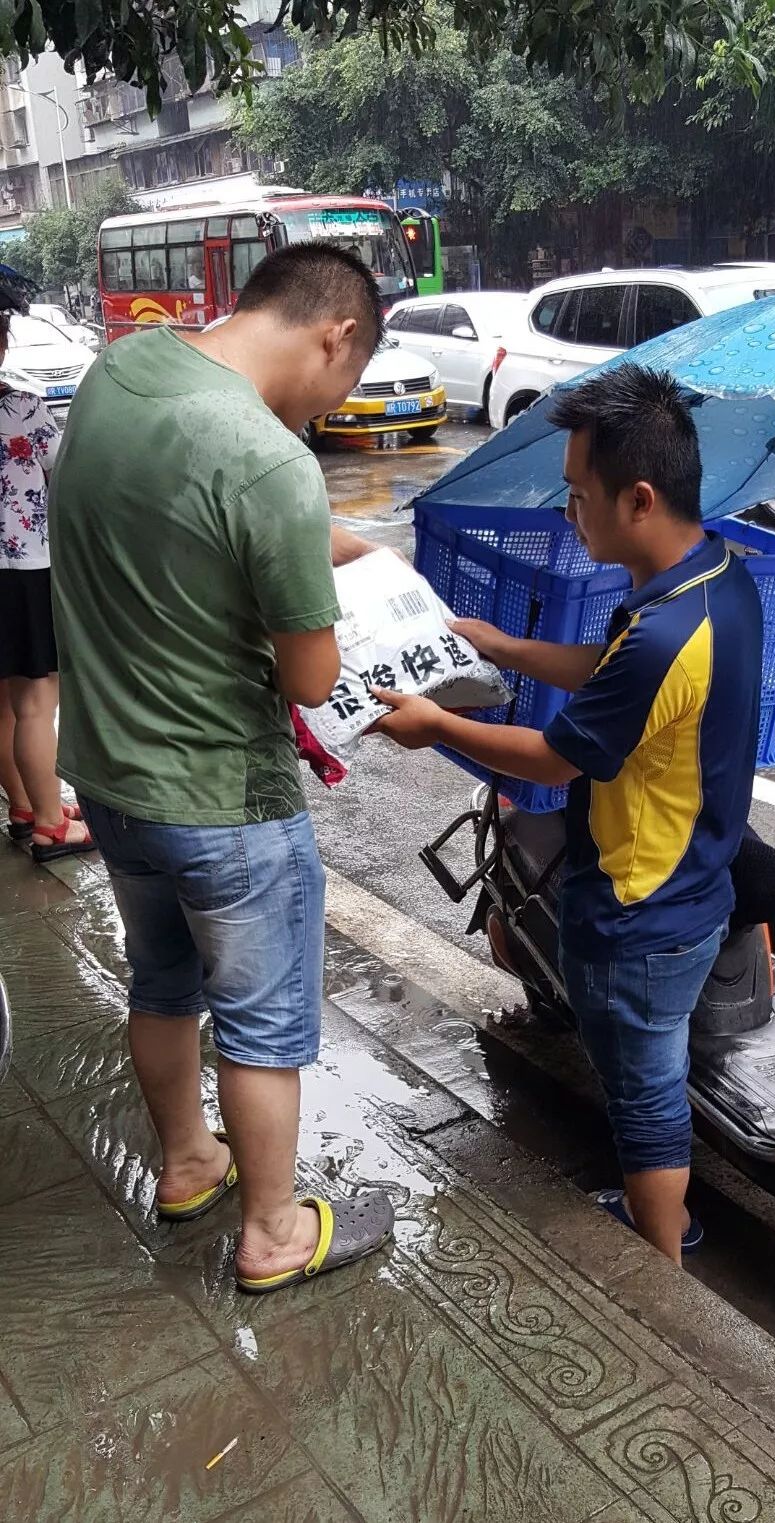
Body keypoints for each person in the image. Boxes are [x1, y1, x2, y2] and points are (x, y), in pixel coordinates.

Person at [49, 243, 395, 1294]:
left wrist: (324, 541)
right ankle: (275, 1230)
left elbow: (184, 519)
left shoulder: (122, 372)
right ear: (336, 336)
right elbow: (309, 674)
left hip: (110, 778)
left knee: (162, 978)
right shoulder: (272, 461)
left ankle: (190, 1160)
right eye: (351, 379)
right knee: (264, 1021)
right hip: (226, 801)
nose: (339, 402)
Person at [372, 363, 763, 1265]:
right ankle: (665, 1213)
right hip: (694, 880)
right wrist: (504, 644)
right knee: (651, 1071)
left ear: (637, 497)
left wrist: (436, 723)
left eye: (579, 494)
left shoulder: (665, 630)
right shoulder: (713, 578)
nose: (568, 512)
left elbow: (556, 756)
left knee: (645, 1089)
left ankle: (663, 1248)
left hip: (640, 906)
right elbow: (612, 672)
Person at [0, 303, 93, 860]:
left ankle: (25, 804)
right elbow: (66, 473)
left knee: (2, 704)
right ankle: (52, 824)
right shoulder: (21, 408)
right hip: (23, 572)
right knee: (35, 702)